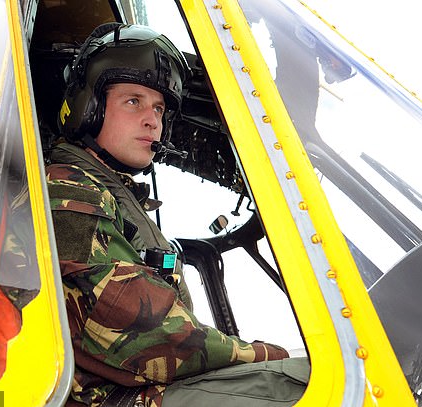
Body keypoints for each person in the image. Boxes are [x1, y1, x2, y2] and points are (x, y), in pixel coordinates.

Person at [42, 23, 308, 406]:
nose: (153, 120)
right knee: (296, 385)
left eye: (159, 108)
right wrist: (263, 356)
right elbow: (132, 330)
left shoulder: (111, 193)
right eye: (133, 101)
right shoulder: (68, 189)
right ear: (90, 106)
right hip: (101, 399)